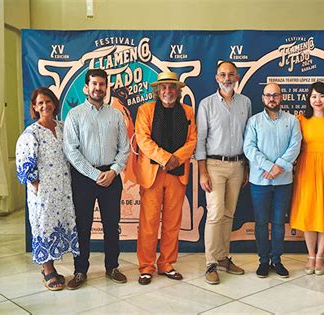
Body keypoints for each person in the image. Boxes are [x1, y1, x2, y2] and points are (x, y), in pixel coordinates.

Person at [63, 68, 130, 290]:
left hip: (111, 176)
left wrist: (113, 171)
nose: (98, 88)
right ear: (86, 87)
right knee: (83, 225)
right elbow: (71, 151)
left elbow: (125, 149)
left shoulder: (116, 115)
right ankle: (80, 271)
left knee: (112, 224)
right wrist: (94, 174)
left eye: (102, 84)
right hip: (84, 178)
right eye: (94, 84)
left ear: (106, 87)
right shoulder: (75, 115)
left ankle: (112, 267)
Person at [135, 71, 197, 285]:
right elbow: (143, 139)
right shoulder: (145, 110)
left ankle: (167, 264)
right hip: (152, 174)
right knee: (149, 223)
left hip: (177, 174)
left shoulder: (188, 112)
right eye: (164, 88)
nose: (168, 91)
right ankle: (146, 267)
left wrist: (175, 160)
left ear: (178, 91)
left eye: (172, 87)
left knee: (172, 223)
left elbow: (192, 141)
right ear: (157, 91)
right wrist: (165, 158)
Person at [16, 87, 79, 291]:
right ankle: (47, 269)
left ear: (54, 103)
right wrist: (38, 187)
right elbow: (25, 163)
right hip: (43, 193)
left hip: (63, 190)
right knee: (44, 227)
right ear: (34, 107)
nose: (45, 106)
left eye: (48, 101)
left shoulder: (62, 128)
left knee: (59, 226)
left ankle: (52, 266)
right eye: (40, 103)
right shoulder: (31, 133)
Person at [195, 61, 252, 284]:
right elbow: (200, 141)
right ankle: (210, 263)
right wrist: (202, 172)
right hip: (213, 166)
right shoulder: (207, 104)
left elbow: (249, 137)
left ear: (237, 76)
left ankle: (222, 257)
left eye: (231, 74)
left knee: (228, 214)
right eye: (222, 75)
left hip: (237, 165)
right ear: (216, 78)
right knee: (215, 213)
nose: (227, 78)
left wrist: (246, 166)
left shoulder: (245, 102)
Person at [243, 83, 301, 278]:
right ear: (262, 98)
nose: (272, 99)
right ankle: (263, 261)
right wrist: (269, 167)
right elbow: (249, 148)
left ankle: (277, 260)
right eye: (268, 95)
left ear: (281, 97)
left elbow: (295, 146)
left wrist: (279, 166)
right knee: (260, 222)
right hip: (260, 182)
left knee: (278, 223)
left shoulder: (292, 121)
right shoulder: (254, 121)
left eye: (275, 95)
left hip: (283, 181)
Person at [289, 81, 324, 276]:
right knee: (309, 210)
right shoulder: (301, 120)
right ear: (309, 100)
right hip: (306, 167)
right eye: (313, 96)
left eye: (321, 96)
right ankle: (310, 255)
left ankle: (321, 255)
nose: (317, 100)